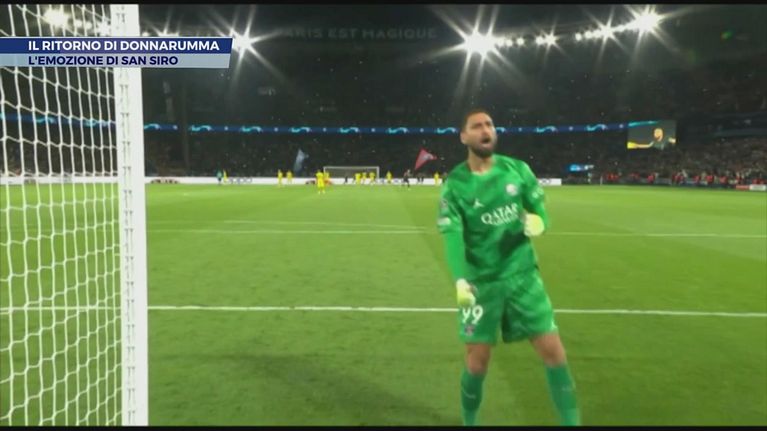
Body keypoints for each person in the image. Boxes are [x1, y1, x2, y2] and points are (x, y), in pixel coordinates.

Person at [437, 108, 580, 426]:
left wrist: (540, 222)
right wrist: (460, 280)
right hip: (481, 284)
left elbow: (540, 208)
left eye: (489, 124)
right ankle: (469, 422)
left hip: (523, 277)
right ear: (464, 137)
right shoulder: (455, 184)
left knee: (555, 353)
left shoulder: (517, 170)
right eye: (477, 126)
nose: (485, 129)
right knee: (477, 362)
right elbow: (452, 235)